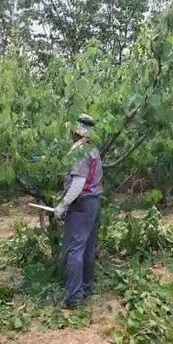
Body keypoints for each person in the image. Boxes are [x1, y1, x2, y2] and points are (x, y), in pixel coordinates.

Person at [54, 114, 103, 309]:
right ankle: (86, 289)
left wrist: (63, 205)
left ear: (77, 131)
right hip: (93, 203)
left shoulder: (80, 151)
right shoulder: (93, 149)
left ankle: (74, 297)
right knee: (88, 247)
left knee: (74, 249)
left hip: (81, 204)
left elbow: (79, 182)